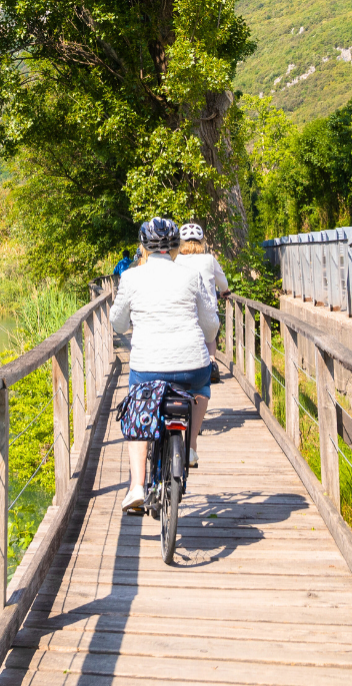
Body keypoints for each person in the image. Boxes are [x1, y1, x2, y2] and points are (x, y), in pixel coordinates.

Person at [110, 218, 218, 515]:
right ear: (174, 248)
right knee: (202, 385)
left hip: (148, 367)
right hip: (192, 365)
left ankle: (136, 487)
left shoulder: (131, 278)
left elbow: (117, 322)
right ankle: (191, 445)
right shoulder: (191, 275)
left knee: (137, 406)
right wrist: (206, 337)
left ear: (143, 247)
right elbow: (211, 324)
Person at [175, 223, 230, 382]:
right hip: (207, 319)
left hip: (184, 316)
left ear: (182, 243)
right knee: (210, 335)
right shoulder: (209, 259)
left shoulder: (176, 260)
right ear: (202, 242)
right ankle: (212, 362)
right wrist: (221, 292)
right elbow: (224, 284)